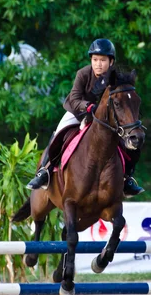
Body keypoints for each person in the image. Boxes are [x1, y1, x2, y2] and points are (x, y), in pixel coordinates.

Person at [26, 38, 144, 197]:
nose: (98, 64)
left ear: (111, 61)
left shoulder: (116, 78)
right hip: (79, 112)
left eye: (103, 60)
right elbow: (74, 98)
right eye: (95, 60)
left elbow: (124, 100)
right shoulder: (83, 74)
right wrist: (88, 107)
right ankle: (44, 171)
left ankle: (127, 178)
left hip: (105, 120)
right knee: (59, 133)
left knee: (132, 141)